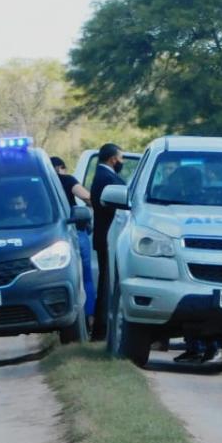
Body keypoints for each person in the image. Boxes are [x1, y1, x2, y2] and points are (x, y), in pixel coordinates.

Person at [51, 156, 95, 333]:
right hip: (74, 231)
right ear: (61, 167)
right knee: (86, 278)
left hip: (52, 236)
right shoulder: (67, 180)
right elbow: (87, 197)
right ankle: (89, 319)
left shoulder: (41, 184)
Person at [90, 143, 126, 341]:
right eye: (121, 158)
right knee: (107, 285)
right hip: (109, 238)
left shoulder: (103, 176)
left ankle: (102, 329)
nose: (121, 162)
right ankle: (102, 329)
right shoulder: (107, 179)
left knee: (107, 282)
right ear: (113, 159)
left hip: (106, 237)